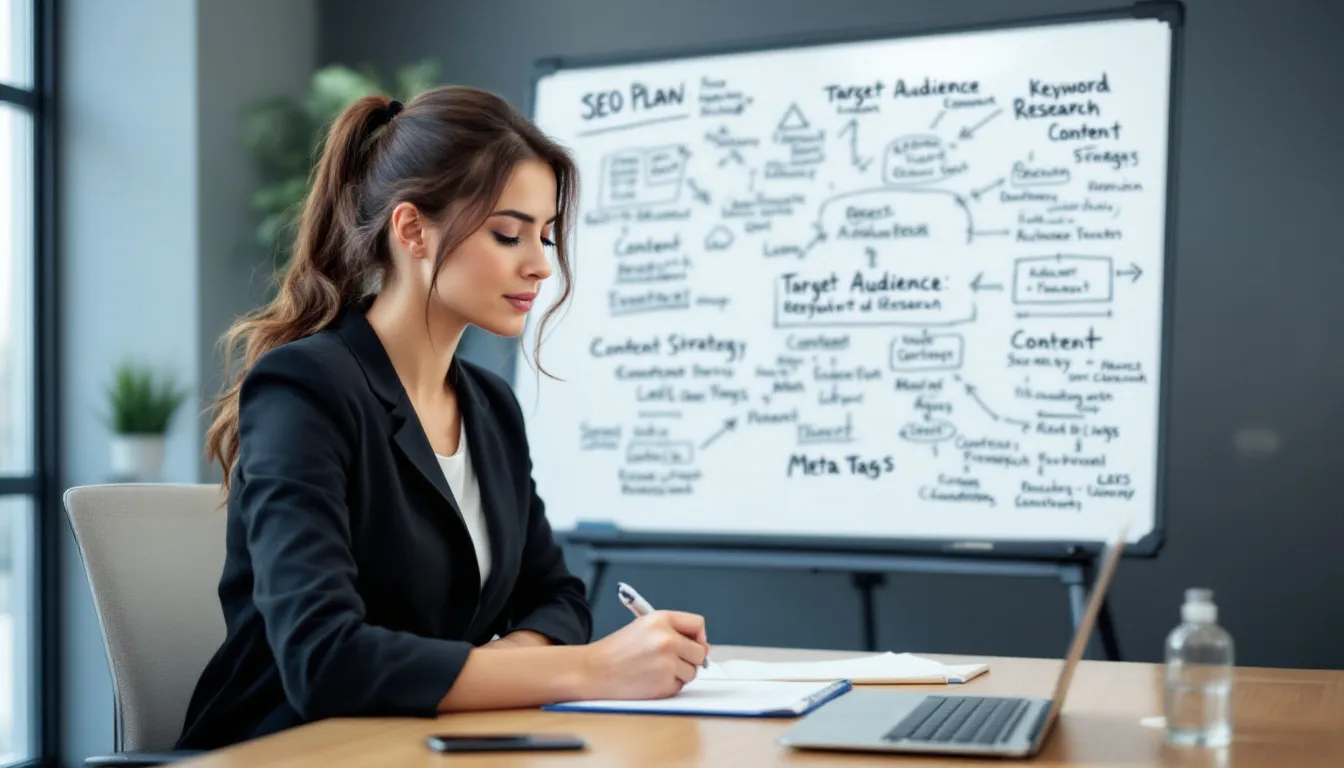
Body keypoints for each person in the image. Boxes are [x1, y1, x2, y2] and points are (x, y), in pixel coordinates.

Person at [176, 85, 711, 750]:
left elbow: (557, 595)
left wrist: (515, 662)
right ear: (411, 230)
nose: (541, 264)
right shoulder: (304, 388)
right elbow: (324, 661)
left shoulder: (489, 406)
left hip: (431, 743)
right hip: (293, 750)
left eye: (545, 235)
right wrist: (589, 668)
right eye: (508, 233)